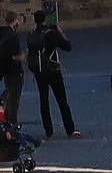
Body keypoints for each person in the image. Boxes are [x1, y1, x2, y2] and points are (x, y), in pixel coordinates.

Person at [28, 11, 78, 140]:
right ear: (45, 19)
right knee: (62, 100)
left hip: (39, 71)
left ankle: (48, 132)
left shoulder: (31, 34)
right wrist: (60, 32)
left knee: (44, 101)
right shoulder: (50, 33)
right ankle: (70, 130)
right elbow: (67, 46)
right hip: (53, 70)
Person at [0, 11, 26, 126]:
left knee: (9, 94)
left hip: (6, 71)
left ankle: (6, 118)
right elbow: (15, 55)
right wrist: (23, 57)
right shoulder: (12, 36)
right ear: (14, 21)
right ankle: (12, 122)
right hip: (15, 70)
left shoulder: (2, 34)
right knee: (14, 98)